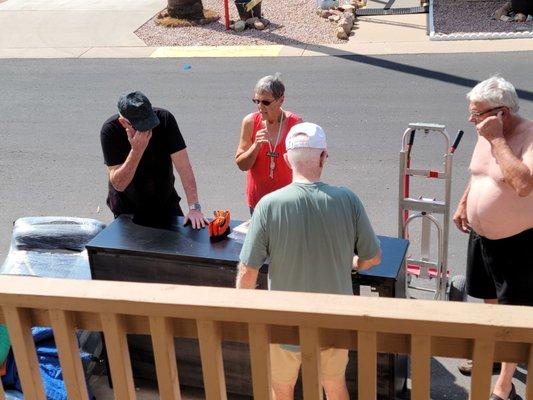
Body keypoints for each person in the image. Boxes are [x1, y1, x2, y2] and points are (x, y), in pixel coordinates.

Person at [236, 122, 382, 400]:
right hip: (334, 322)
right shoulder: (347, 199)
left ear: (288, 158)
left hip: (284, 324)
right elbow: (372, 257)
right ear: (323, 156)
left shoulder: (269, 204)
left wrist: (248, 316)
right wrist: (352, 263)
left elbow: (248, 271)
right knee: (334, 385)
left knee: (282, 389)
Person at [453, 76, 533, 400]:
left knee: (513, 310)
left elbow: (523, 183)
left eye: (477, 114)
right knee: (488, 297)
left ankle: (505, 384)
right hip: (482, 237)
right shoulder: (485, 130)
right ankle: (499, 354)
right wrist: (464, 203)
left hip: (516, 242)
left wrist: (498, 140)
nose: (472, 120)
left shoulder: (525, 135)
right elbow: (479, 171)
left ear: (501, 114)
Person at [100, 91, 209, 229]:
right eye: (141, 126)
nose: (148, 130)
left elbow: (184, 167)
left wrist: (194, 207)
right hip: (128, 210)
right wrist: (137, 150)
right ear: (123, 123)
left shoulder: (164, 119)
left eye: (150, 122)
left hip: (165, 200)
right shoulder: (110, 131)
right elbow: (119, 184)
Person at [235, 74, 302, 215]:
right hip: (258, 202)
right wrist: (255, 146)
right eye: (256, 101)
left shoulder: (295, 124)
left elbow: (303, 166)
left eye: (265, 102)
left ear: (281, 100)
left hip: (287, 201)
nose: (260, 107)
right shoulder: (250, 122)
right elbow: (242, 165)